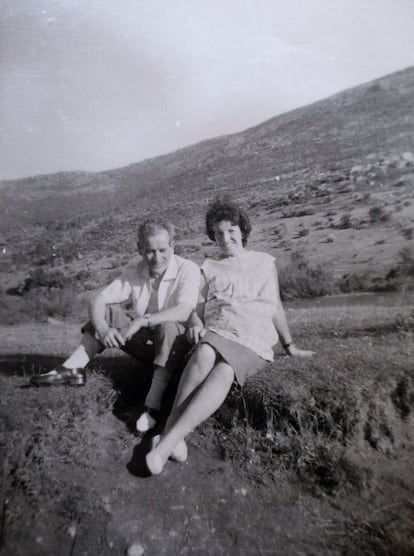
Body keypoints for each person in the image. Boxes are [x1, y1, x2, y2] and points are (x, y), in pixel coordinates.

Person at [145, 197, 314, 474]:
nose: (225, 237)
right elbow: (195, 311)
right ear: (213, 235)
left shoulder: (264, 262)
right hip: (219, 330)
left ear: (242, 230)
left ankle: (165, 444)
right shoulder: (208, 267)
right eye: (219, 232)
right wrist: (196, 323)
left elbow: (275, 307)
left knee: (225, 371)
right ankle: (170, 436)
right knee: (203, 352)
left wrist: (290, 345)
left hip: (253, 336)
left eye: (231, 230)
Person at [30, 219, 200, 434]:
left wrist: (143, 320)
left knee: (167, 326)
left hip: (177, 351)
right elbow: (97, 300)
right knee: (108, 312)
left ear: (173, 245)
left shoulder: (188, 269)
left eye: (162, 250)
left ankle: (152, 407)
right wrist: (102, 328)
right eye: (149, 251)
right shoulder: (134, 269)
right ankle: (72, 369)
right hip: (149, 346)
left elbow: (184, 311)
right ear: (140, 249)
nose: (156, 258)